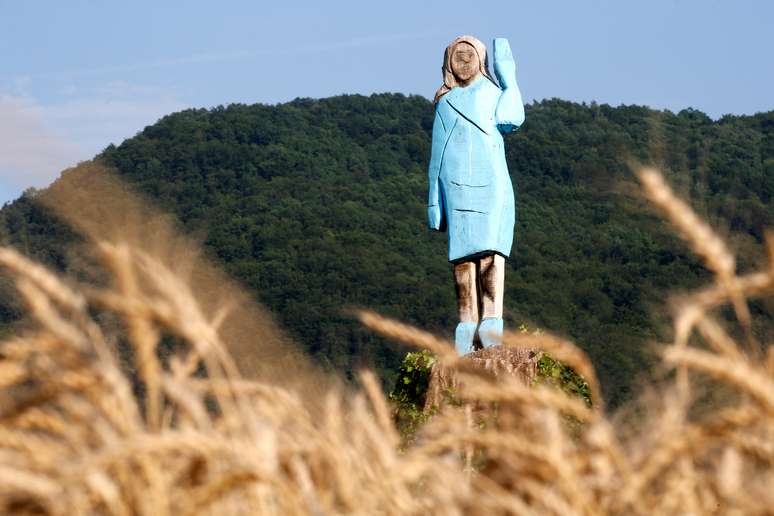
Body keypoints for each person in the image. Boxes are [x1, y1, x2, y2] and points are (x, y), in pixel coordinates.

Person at [427, 35, 525, 355]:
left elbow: (512, 119)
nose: (464, 60)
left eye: (469, 54)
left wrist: (508, 77)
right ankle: (466, 321)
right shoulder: (445, 103)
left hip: (490, 185)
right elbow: (437, 155)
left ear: (481, 59)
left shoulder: (493, 94)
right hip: (454, 188)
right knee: (461, 260)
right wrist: (434, 200)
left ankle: (492, 318)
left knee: (490, 255)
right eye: (458, 54)